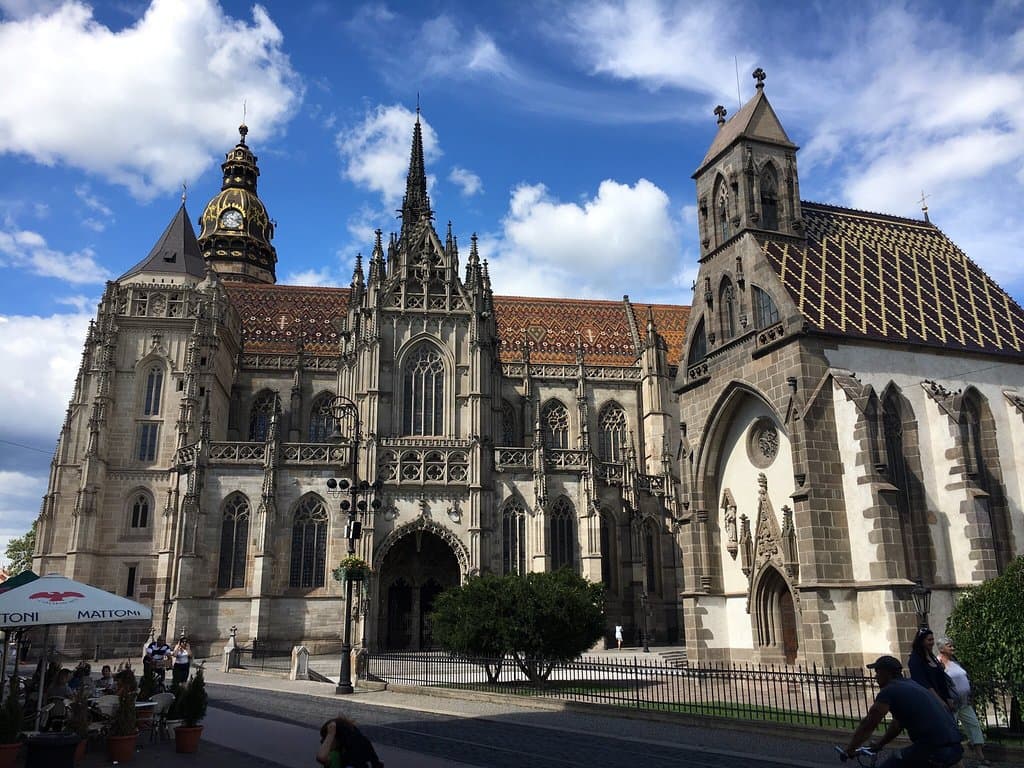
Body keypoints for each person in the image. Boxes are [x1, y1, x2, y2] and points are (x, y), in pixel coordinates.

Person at [844, 655, 963, 767]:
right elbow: (897, 725)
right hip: (954, 745)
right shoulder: (911, 684)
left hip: (933, 748)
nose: (875, 677)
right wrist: (880, 744)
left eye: (877, 672)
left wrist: (850, 749)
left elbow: (869, 724)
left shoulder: (889, 691)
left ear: (887, 673)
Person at [937, 637, 989, 766]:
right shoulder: (938, 664)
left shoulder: (956, 662)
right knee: (952, 732)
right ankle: (958, 762)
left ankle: (980, 757)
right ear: (942, 649)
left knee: (974, 726)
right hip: (951, 704)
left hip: (965, 703)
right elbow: (939, 684)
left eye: (952, 646)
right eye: (950, 646)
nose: (953, 648)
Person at [908, 628, 955, 712]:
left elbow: (941, 680)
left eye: (932, 639)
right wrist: (940, 701)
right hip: (928, 700)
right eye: (929, 640)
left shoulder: (932, 657)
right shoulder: (915, 659)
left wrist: (948, 698)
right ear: (921, 641)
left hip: (942, 697)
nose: (932, 642)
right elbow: (924, 683)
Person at [316, 716, 383, 768]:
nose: (323, 742)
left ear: (338, 737)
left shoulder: (357, 751)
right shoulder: (337, 753)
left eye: (326, 737)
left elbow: (321, 757)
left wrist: (330, 734)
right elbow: (322, 758)